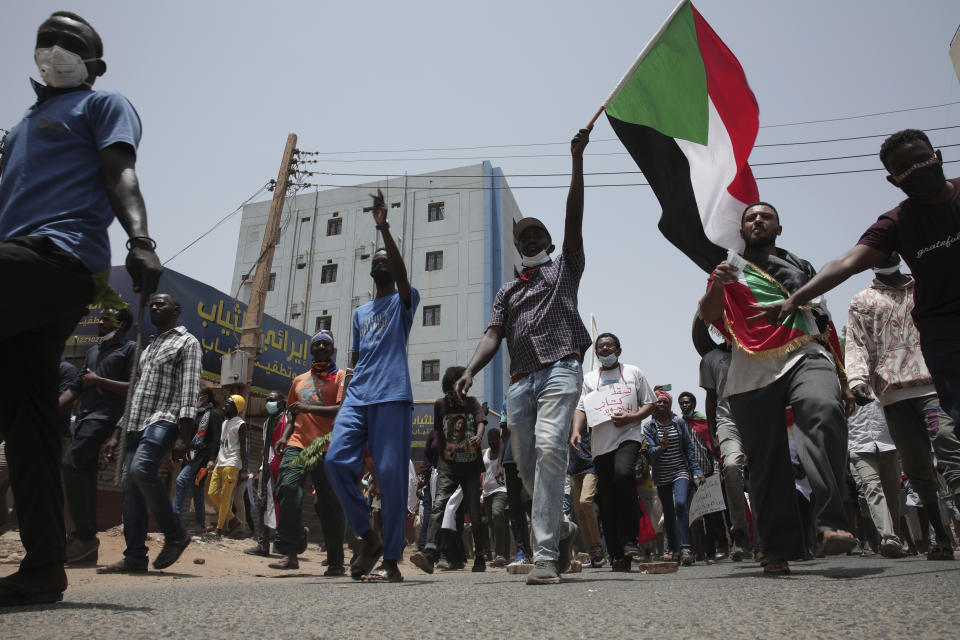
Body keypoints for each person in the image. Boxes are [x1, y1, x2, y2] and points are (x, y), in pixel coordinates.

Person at [0, 12, 162, 605]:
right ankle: (43, 566)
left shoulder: (103, 104)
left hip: (57, 259)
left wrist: (140, 240)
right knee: (31, 425)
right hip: (18, 266)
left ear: (94, 62)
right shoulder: (19, 128)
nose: (53, 50)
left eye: (70, 42)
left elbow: (120, 170)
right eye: (46, 40)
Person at [454, 129, 591, 585]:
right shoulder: (508, 290)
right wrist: (472, 370)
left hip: (561, 369)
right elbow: (494, 334)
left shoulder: (564, 269)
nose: (530, 238)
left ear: (550, 240)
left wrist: (576, 162)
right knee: (529, 468)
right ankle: (563, 526)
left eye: (537, 233)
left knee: (553, 449)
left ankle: (546, 554)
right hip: (519, 382)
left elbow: (574, 217)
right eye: (523, 236)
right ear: (518, 248)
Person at [750, 129, 959, 427]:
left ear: (937, 157)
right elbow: (847, 262)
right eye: (905, 169)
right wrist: (793, 300)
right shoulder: (896, 223)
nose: (916, 171)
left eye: (921, 160)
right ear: (893, 180)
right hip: (947, 336)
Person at [698, 201, 856, 575]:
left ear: (778, 228)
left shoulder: (802, 268)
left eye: (765, 216)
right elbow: (709, 314)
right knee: (766, 461)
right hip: (752, 363)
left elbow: (823, 320)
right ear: (742, 230)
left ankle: (831, 521)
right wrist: (718, 285)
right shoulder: (730, 267)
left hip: (805, 350)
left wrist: (845, 379)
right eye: (751, 217)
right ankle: (776, 549)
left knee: (823, 409)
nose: (757, 221)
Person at [324, 189, 419, 583]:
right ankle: (368, 537)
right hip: (359, 395)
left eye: (387, 261)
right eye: (377, 261)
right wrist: (346, 384)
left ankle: (392, 559)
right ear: (369, 270)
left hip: (392, 396)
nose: (382, 263)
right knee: (334, 462)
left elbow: (399, 272)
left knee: (391, 476)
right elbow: (355, 357)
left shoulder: (404, 300)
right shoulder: (360, 313)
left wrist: (383, 228)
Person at [844, 252, 959, 560]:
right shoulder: (862, 301)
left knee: (949, 448)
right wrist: (856, 380)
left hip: (933, 387)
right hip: (893, 396)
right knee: (916, 465)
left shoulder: (926, 287)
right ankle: (942, 540)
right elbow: (855, 343)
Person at [98, 293, 200, 574]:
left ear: (175, 309)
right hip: (135, 423)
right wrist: (117, 433)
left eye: (161, 303)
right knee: (131, 489)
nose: (154, 307)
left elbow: (190, 389)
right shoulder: (147, 348)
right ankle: (135, 557)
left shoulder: (187, 342)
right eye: (152, 304)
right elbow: (135, 393)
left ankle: (175, 533)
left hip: (164, 419)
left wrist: (184, 434)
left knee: (142, 470)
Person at [570, 332, 656, 571]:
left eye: (610, 346)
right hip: (600, 446)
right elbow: (580, 408)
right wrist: (576, 430)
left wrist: (633, 417)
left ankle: (630, 540)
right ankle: (618, 555)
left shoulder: (633, 373)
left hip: (627, 437)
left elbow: (650, 403)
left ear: (619, 350)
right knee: (607, 500)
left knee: (624, 475)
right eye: (601, 347)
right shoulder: (589, 379)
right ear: (596, 353)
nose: (605, 349)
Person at [59, 307, 136, 563]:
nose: (101, 322)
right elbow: (77, 387)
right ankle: (86, 544)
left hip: (105, 418)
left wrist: (98, 381)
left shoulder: (129, 350)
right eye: (101, 318)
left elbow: (134, 389)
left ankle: (84, 535)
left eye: (108, 319)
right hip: (83, 419)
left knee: (71, 464)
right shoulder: (93, 351)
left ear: (122, 324)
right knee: (83, 475)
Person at [272, 331, 347, 573]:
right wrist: (284, 437)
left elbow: (340, 409)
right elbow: (293, 414)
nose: (322, 346)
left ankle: (335, 560)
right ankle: (290, 552)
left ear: (332, 349)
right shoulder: (298, 381)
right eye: (318, 343)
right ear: (312, 350)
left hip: (326, 445)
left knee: (328, 504)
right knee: (287, 487)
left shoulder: (340, 376)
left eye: (327, 343)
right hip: (298, 444)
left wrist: (307, 406)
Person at [411, 367, 489, 573]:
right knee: (438, 505)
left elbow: (481, 422)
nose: (463, 387)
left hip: (471, 466)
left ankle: (480, 555)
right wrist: (444, 456)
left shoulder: (472, 403)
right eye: (459, 382)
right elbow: (439, 433)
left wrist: (479, 436)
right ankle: (429, 552)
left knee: (473, 510)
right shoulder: (440, 405)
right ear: (450, 384)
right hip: (448, 466)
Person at [698, 339, 753, 560]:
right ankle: (739, 533)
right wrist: (713, 434)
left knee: (761, 474)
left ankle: (773, 535)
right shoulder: (710, 358)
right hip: (727, 419)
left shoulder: (755, 343)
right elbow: (710, 399)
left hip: (758, 416)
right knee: (731, 467)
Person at [642, 390, 705, 566]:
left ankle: (686, 547)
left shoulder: (678, 422)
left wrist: (696, 471)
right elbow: (651, 454)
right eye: (657, 402)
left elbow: (689, 449)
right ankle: (674, 549)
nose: (661, 405)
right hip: (662, 474)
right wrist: (660, 448)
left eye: (664, 402)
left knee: (680, 504)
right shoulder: (649, 427)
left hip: (680, 471)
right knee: (668, 512)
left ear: (668, 404)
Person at [845, 397, 905, 558]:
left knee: (892, 492)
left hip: (887, 442)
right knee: (872, 488)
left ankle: (895, 537)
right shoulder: (843, 387)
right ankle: (889, 538)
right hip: (859, 444)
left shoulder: (880, 379)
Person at [173, 388, 221, 534]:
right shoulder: (196, 413)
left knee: (181, 480)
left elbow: (215, 438)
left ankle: (172, 520)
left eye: (199, 396)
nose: (197, 398)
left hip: (203, 456)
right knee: (197, 487)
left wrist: (212, 459)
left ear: (206, 397)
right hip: (190, 455)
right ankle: (200, 524)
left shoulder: (214, 414)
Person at [245, 390, 285, 557]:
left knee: (280, 506)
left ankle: (295, 537)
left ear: (281, 403)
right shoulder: (269, 421)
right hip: (268, 467)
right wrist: (260, 469)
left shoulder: (286, 420)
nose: (269, 403)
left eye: (273, 400)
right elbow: (266, 447)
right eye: (267, 400)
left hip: (282, 467)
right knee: (262, 503)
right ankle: (262, 544)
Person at [496, 402, 533, 567]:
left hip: (532, 456)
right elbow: (504, 435)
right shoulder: (507, 402)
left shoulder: (534, 394)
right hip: (511, 460)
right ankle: (523, 551)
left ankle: (546, 549)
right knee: (515, 507)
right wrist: (499, 463)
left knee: (530, 503)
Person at [206, 395, 248, 537]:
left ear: (236, 407)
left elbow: (243, 448)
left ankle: (219, 529)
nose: (224, 406)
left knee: (225, 497)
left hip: (232, 463)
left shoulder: (240, 424)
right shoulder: (224, 423)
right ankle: (233, 519)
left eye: (228, 404)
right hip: (220, 462)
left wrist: (244, 469)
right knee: (212, 493)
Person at [566, 427, 604, 569]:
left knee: (585, 501)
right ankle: (592, 553)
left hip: (591, 465)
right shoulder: (568, 417)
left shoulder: (592, 414)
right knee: (579, 511)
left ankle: (597, 547)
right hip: (574, 468)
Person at [482, 427, 509, 567]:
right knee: (493, 523)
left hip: (501, 489)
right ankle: (504, 554)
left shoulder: (503, 453)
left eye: (495, 439)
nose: (492, 442)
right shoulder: (484, 453)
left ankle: (500, 554)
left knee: (497, 513)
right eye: (490, 440)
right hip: (486, 492)